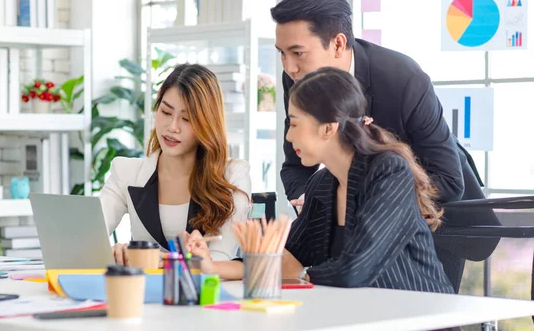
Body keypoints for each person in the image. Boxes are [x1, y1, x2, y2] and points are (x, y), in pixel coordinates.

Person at [271, 0, 499, 292]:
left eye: (297, 53)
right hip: (358, 220)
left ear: (338, 44)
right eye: (282, 54)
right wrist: (309, 197)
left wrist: (379, 199)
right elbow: (296, 164)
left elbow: (448, 179)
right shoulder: (297, 77)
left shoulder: (402, 77)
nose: (289, 67)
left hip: (438, 214)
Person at [185, 67, 454, 294]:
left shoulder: (388, 173)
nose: (289, 137)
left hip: (417, 318)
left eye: (294, 123)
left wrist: (301, 272)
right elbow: (281, 258)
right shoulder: (323, 184)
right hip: (361, 317)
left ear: (328, 128)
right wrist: (211, 266)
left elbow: (354, 271)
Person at [100, 64, 252, 265]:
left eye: (187, 119)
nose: (172, 127)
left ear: (208, 123)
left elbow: (219, 259)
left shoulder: (232, 176)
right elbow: (87, 239)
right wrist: (113, 253)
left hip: (207, 295)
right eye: (165, 112)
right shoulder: (126, 172)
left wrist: (152, 259)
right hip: (141, 293)